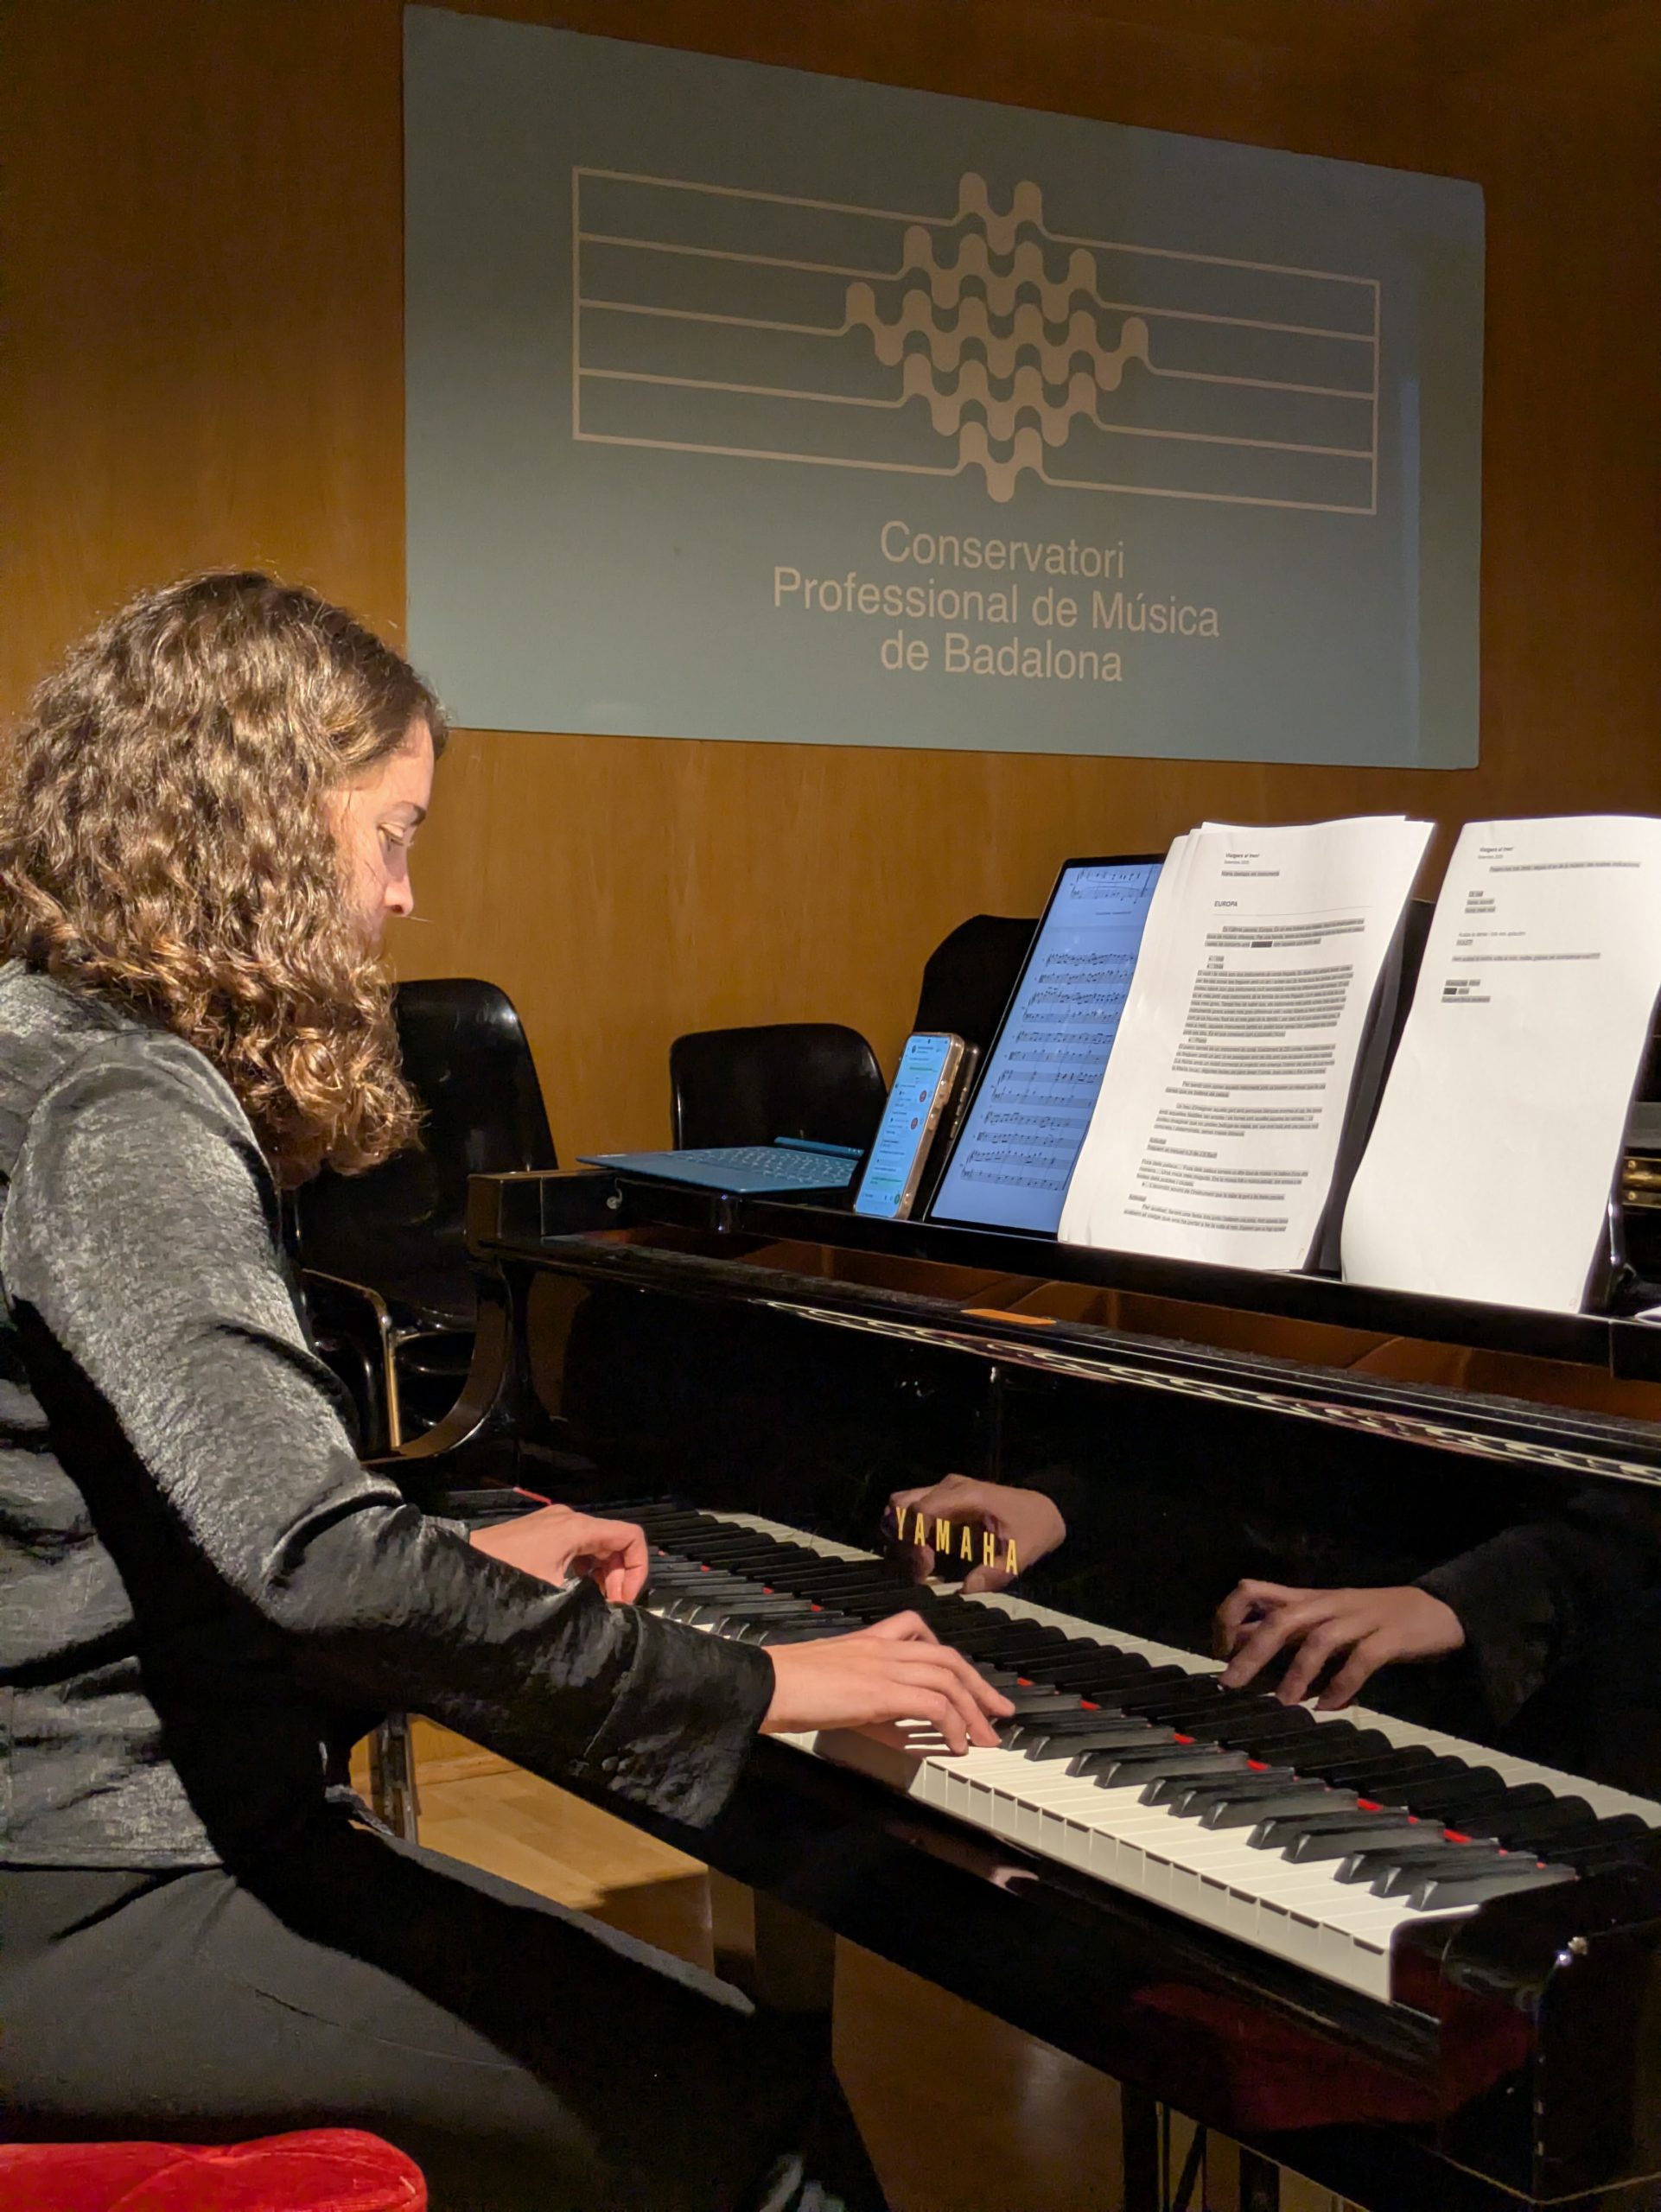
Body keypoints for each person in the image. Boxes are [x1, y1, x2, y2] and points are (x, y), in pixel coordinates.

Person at [0, 573, 1011, 2212]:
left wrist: (462, 1563)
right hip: (77, 1877)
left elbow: (120, 1522)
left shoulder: (39, 1043)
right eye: (391, 836)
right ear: (256, 827)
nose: (406, 898)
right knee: (745, 2108)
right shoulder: (116, 1104)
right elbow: (316, 1565)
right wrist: (754, 1681)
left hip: (72, 1839)